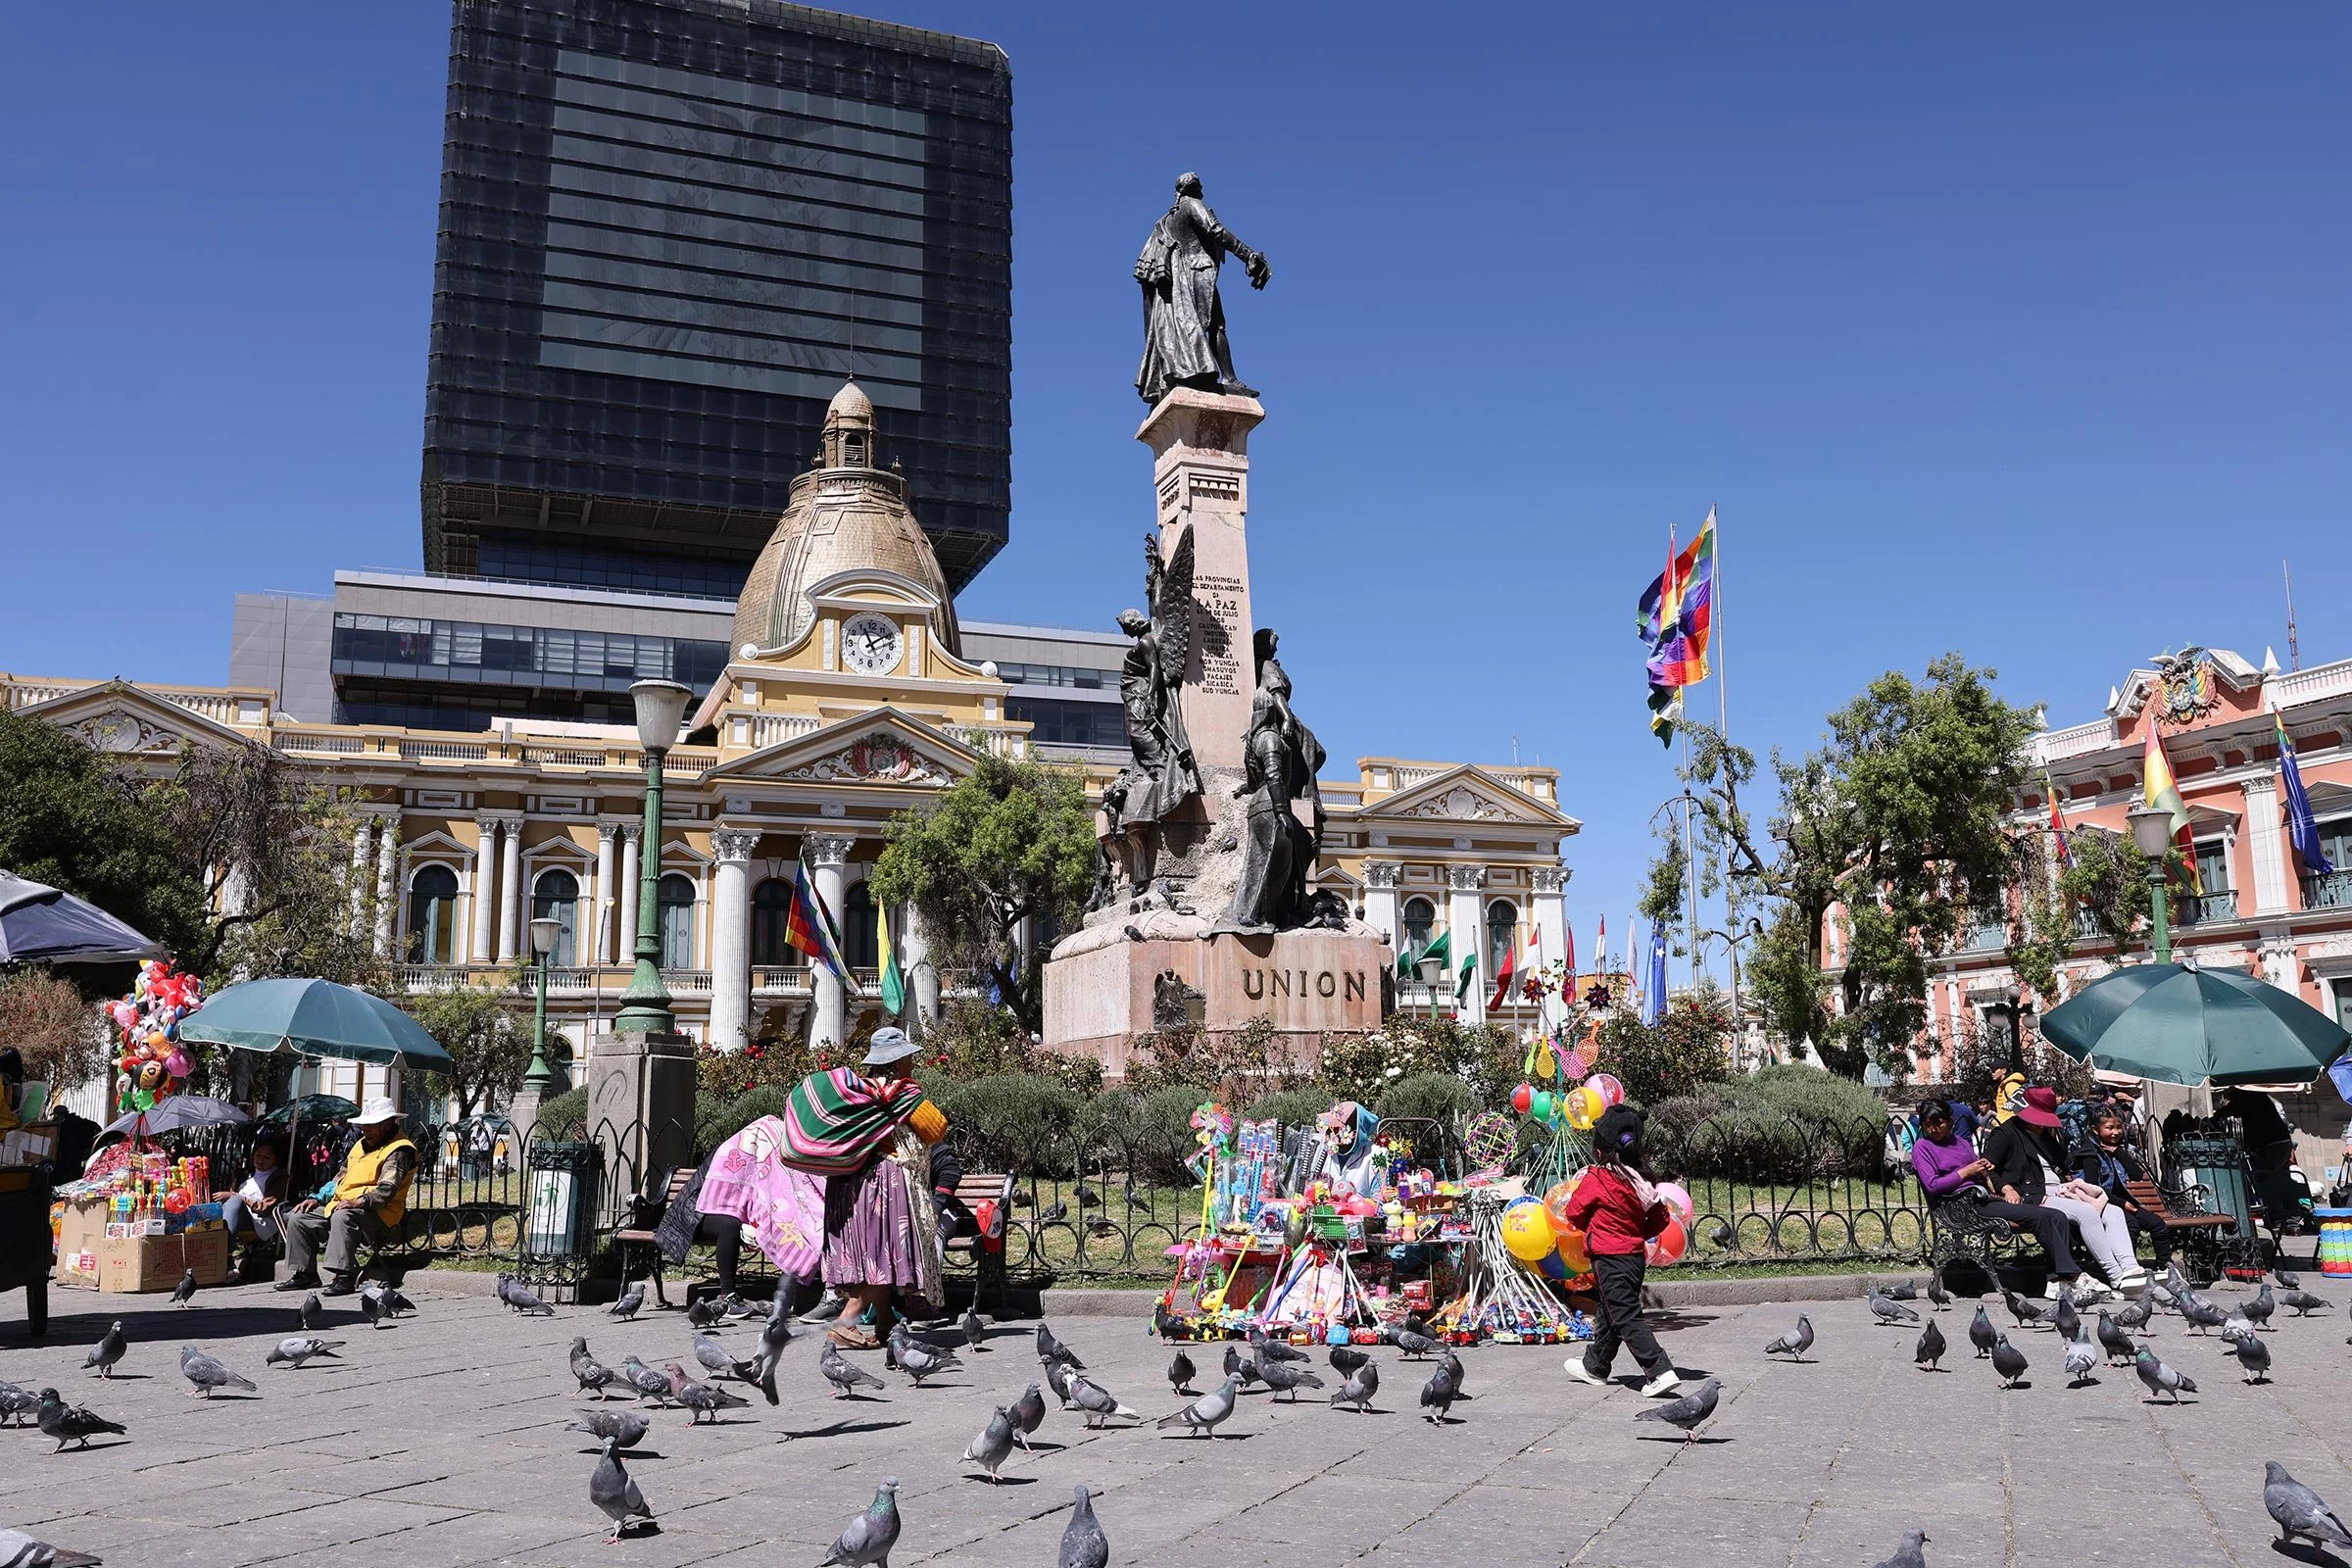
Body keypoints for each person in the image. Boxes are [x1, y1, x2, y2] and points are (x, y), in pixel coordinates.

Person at [818, 1028, 949, 1349]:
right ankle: (846, 1321)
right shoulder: (902, 1091)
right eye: (909, 1057)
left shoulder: (859, 1091)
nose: (913, 1063)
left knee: (875, 1254)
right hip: (886, 1183)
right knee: (883, 1255)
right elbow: (936, 1128)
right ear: (898, 1060)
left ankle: (885, 1324)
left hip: (851, 1183)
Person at [1911, 1097, 2092, 1298]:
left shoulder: (1961, 1142)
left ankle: (2056, 1281)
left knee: (2055, 1216)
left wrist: (1986, 1173)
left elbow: (1981, 1173)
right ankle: (2072, 1275)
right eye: (1927, 1125)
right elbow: (1933, 1185)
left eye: (1939, 1124)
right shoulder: (1922, 1147)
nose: (1933, 1130)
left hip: (1983, 1198)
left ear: (1950, 1120)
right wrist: (1967, 1171)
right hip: (1961, 1205)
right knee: (2042, 1217)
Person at [1560, 1103, 1682, 1398]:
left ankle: (1659, 1370)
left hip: (1609, 1258)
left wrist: (1599, 1226)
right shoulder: (1641, 1180)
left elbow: (1574, 1213)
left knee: (1625, 1314)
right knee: (1609, 1308)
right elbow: (1661, 1219)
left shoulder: (1597, 1178)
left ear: (1599, 1151)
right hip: (1633, 1258)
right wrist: (1634, 1233)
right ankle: (1596, 1365)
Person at [1982, 1086, 2146, 1297]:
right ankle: (2115, 1275)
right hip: (2033, 1194)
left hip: (2061, 1190)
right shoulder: (2006, 1133)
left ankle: (2130, 1268)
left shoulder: (2046, 1137)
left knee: (2112, 1211)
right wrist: (2006, 1187)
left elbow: (2065, 1166)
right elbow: (1986, 1165)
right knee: (2086, 1213)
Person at [276, 1098, 417, 1296]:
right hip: (344, 1204)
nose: (364, 1130)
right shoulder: (360, 1145)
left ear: (386, 1125)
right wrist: (317, 1198)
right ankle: (305, 1274)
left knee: (343, 1217)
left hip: (379, 1213)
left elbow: (387, 1190)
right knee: (298, 1217)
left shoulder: (399, 1149)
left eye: (370, 1125)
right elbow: (340, 1178)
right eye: (363, 1125)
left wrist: (358, 1201)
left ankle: (345, 1276)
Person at [2071, 1106, 2171, 1267]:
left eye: (2119, 1127)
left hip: (2123, 1203)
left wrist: (2119, 1153)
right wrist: (2122, 1203)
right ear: (2095, 1130)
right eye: (2109, 1128)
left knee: (2157, 1224)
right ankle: (2129, 1267)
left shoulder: (2116, 1151)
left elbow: (2137, 1175)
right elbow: (2094, 1189)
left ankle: (2165, 1265)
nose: (2116, 1132)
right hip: (2103, 1204)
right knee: (2131, 1224)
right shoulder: (2089, 1155)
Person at [2220, 1087, 2310, 1236]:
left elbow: (2229, 1111)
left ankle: (2277, 1218)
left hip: (2268, 1146)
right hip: (2281, 1142)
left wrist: (2214, 1117)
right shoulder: (2261, 1098)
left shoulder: (2247, 1098)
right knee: (2282, 1178)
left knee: (2265, 1181)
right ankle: (2291, 1222)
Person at [216, 1140, 286, 1257]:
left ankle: (225, 1255)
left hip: (259, 1221)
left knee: (235, 1201)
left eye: (267, 1157)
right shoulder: (246, 1174)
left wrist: (237, 1197)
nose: (260, 1160)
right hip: (236, 1215)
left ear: (275, 1160)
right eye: (257, 1155)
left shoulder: (278, 1177)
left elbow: (264, 1208)